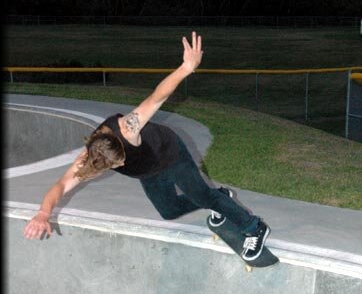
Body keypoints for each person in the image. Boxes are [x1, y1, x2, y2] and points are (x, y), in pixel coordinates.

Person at [23, 31, 270, 261]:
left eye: (120, 162)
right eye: (117, 165)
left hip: (171, 154)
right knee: (169, 211)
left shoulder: (128, 127)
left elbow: (156, 97)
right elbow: (60, 185)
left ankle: (254, 228)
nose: (120, 166)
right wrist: (43, 214)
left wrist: (186, 68)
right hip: (148, 170)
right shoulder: (89, 158)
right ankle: (218, 197)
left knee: (204, 196)